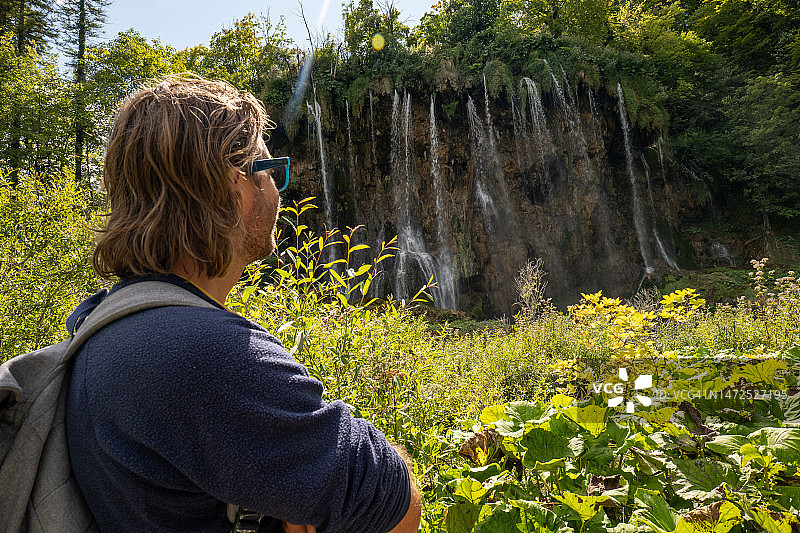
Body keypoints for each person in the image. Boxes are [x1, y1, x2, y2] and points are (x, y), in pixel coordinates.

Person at [65, 74, 421, 533]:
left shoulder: (102, 323)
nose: (279, 189)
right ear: (236, 184)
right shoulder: (206, 356)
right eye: (273, 172)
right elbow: (397, 506)